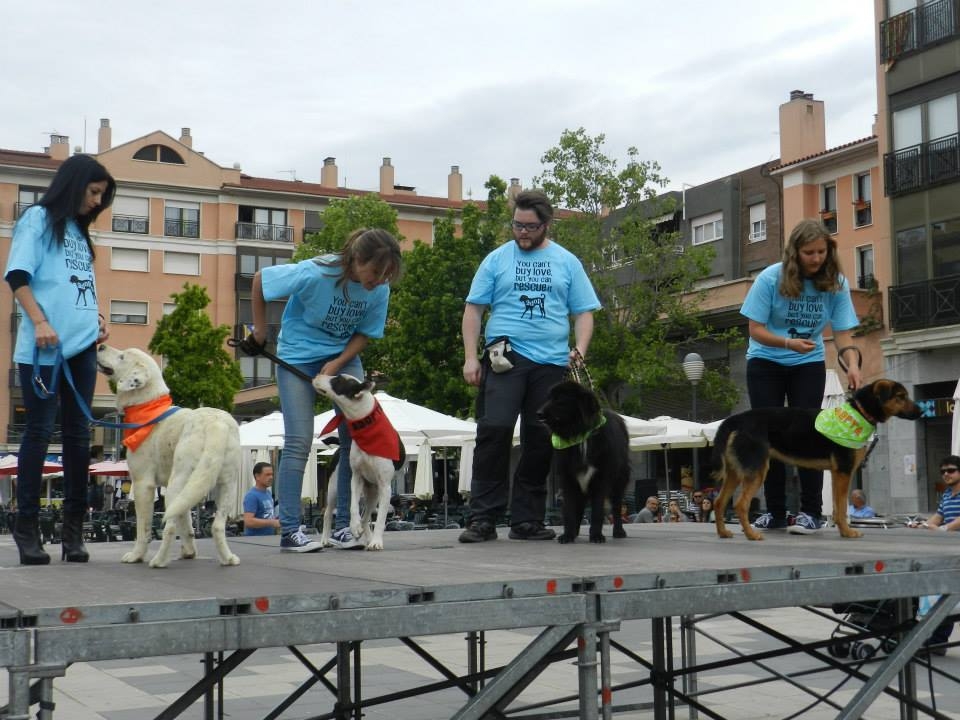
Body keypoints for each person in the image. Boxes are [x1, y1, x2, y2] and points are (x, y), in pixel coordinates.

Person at [246, 228, 402, 552]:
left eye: (386, 276)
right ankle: (290, 530)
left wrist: (339, 362)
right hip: (297, 357)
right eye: (375, 273)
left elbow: (366, 332)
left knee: (354, 440)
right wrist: (260, 331)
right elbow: (261, 279)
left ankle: (344, 527)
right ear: (357, 260)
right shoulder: (316, 272)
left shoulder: (379, 289)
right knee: (299, 441)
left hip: (343, 358)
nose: (378, 282)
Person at [458, 190, 601, 543]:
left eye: (530, 227)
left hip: (551, 362)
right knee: (495, 430)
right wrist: (470, 357)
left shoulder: (567, 262)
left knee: (541, 438)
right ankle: (482, 518)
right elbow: (473, 310)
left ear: (546, 225)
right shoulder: (496, 260)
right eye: (517, 225)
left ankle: (527, 520)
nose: (522, 232)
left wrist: (580, 348)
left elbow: (583, 312)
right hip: (505, 357)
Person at [4, 154, 114, 565]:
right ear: (74, 184)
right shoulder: (37, 219)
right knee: (38, 432)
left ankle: (73, 533)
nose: (97, 201)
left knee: (78, 437)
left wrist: (98, 318)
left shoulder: (79, 233)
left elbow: (78, 285)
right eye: (93, 192)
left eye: (102, 195)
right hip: (45, 347)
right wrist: (39, 321)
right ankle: (27, 528)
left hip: (84, 346)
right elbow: (17, 275)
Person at [742, 219, 862, 536]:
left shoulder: (835, 283)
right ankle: (776, 512)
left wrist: (852, 363)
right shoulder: (770, 278)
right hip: (765, 360)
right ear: (795, 252)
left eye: (822, 251)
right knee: (771, 437)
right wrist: (786, 343)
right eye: (809, 252)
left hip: (808, 362)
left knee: (814, 434)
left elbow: (843, 333)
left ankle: (811, 512)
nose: (816, 258)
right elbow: (755, 329)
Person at [243, 462, 280, 536]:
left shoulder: (268, 493)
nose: (271, 477)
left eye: (272, 474)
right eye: (267, 475)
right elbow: (248, 521)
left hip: (268, 538)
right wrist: (272, 522)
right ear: (257, 476)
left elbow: (268, 514)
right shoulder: (251, 496)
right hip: (255, 541)